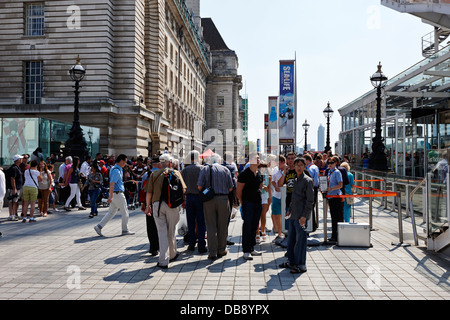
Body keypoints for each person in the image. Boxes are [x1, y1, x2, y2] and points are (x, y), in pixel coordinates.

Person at [145, 153, 186, 268]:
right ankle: (172, 254)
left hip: (157, 205)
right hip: (172, 206)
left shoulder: (154, 174)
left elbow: (149, 192)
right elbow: (183, 190)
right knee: (171, 231)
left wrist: (148, 206)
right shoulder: (176, 173)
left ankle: (163, 260)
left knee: (161, 232)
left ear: (160, 164)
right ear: (170, 163)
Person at [280, 157, 314, 273]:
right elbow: (294, 198)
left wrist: (305, 216)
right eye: (297, 165)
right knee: (291, 240)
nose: (299, 167)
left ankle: (301, 265)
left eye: (301, 165)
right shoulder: (295, 179)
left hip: (301, 216)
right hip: (293, 215)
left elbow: (310, 200)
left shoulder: (307, 181)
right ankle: (292, 262)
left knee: (301, 241)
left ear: (305, 167)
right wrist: (289, 209)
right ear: (294, 167)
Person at [197, 153, 234, 261]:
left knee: (210, 226)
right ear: (219, 160)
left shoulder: (205, 169)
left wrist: (207, 191)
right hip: (223, 199)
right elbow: (231, 187)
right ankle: (221, 250)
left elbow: (199, 186)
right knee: (222, 225)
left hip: (209, 201)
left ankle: (212, 252)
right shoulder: (225, 169)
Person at [94, 154, 135, 237]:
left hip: (116, 194)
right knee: (125, 212)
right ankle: (125, 230)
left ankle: (99, 226)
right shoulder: (116, 170)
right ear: (122, 161)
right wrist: (111, 196)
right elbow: (112, 183)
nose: (125, 164)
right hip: (118, 194)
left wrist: (111, 196)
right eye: (125, 162)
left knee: (111, 212)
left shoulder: (115, 169)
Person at [237, 152, 263, 261]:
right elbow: (239, 191)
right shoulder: (244, 174)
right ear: (250, 160)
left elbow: (260, 186)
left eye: (258, 159)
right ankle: (246, 250)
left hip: (257, 203)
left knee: (255, 225)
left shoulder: (259, 173)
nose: (258, 160)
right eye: (256, 159)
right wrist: (243, 203)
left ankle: (252, 247)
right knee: (247, 226)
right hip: (248, 203)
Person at [181, 150, 207, 254]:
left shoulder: (185, 170)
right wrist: (205, 195)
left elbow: (182, 187)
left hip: (189, 198)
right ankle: (201, 244)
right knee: (201, 222)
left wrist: (183, 199)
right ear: (198, 158)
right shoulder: (202, 168)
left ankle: (191, 244)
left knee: (190, 222)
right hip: (200, 198)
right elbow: (206, 185)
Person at [325, 156, 344, 242]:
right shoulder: (329, 172)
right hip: (331, 196)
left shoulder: (337, 172)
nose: (330, 164)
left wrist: (331, 189)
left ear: (335, 163)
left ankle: (338, 236)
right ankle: (334, 235)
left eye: (332, 163)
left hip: (336, 196)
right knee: (333, 217)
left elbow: (340, 185)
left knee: (338, 217)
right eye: (328, 163)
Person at [270, 155, 285, 242]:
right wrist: (275, 186)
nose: (277, 165)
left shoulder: (287, 170)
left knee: (285, 215)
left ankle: (285, 232)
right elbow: (272, 180)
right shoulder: (275, 169)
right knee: (276, 215)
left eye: (279, 163)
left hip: (284, 196)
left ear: (283, 163)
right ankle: (279, 233)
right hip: (276, 195)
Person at [304, 154, 319, 231]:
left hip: (311, 189)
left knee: (310, 207)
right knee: (312, 207)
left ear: (307, 160)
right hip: (315, 188)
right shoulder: (315, 167)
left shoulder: (309, 169)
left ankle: (312, 225)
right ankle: (314, 224)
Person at [6, 155, 24, 221]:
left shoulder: (17, 167)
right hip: (13, 188)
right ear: (18, 160)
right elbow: (12, 179)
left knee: (14, 201)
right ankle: (12, 215)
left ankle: (13, 215)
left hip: (17, 187)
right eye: (20, 159)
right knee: (12, 201)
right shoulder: (14, 168)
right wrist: (14, 188)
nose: (22, 159)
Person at [258, 160, 272, 243]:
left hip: (264, 196)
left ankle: (263, 231)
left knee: (263, 215)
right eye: (261, 167)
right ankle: (257, 234)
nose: (262, 169)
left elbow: (269, 187)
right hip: (257, 195)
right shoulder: (256, 175)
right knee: (257, 215)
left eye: (264, 167)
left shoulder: (268, 176)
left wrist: (270, 197)